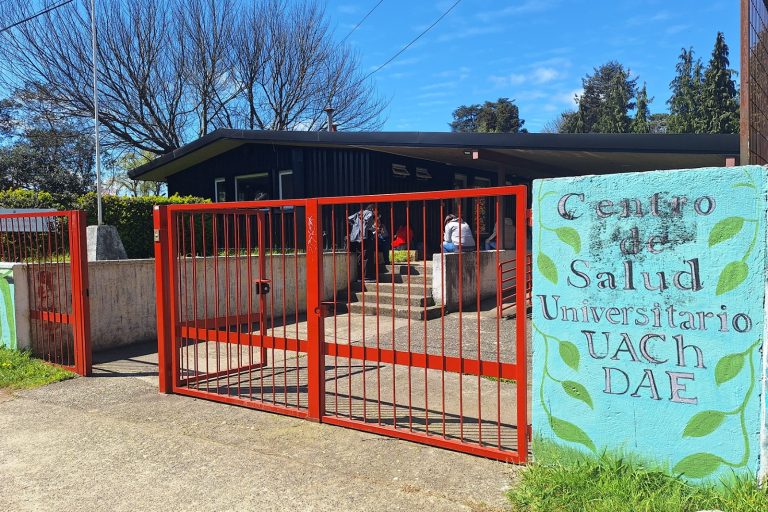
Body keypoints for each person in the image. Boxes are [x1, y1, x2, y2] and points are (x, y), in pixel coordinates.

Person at [348, 204, 376, 282]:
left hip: (358, 237)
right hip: (366, 235)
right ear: (373, 209)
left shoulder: (359, 212)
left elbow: (349, 219)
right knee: (367, 256)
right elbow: (368, 222)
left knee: (360, 256)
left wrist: (357, 227)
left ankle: (360, 277)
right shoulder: (369, 213)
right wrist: (368, 227)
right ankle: (367, 277)